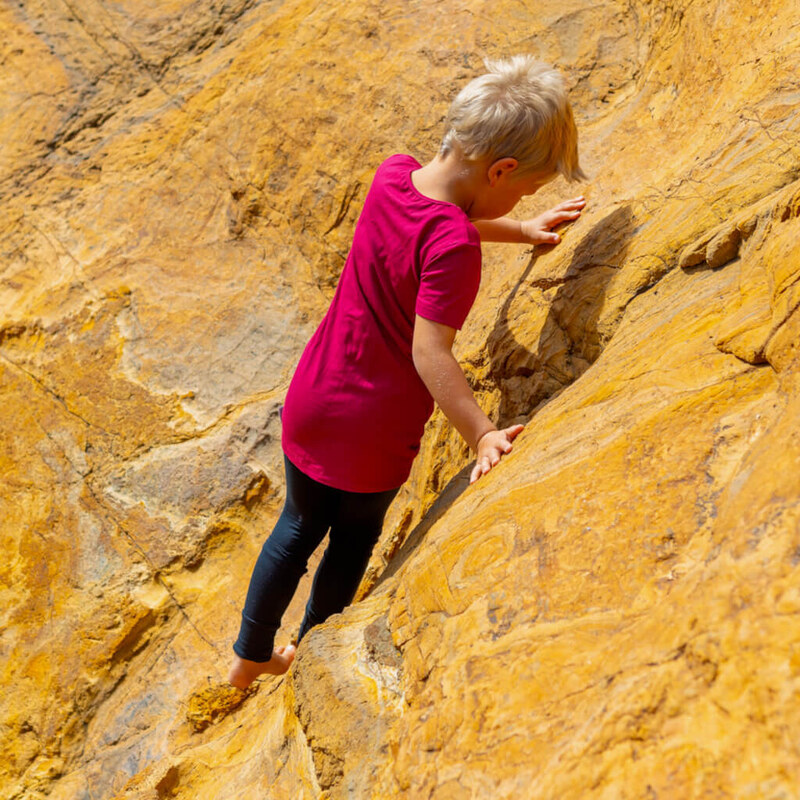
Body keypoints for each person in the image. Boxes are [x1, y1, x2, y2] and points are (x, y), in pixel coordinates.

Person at [228, 55, 587, 688]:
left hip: (314, 397)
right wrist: (481, 434)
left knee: (296, 525)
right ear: (501, 168)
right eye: (524, 191)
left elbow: (441, 216)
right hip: (373, 429)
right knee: (352, 538)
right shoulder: (456, 246)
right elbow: (431, 351)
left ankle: (250, 655)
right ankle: (310, 652)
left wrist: (522, 228)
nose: (520, 199)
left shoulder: (391, 175)